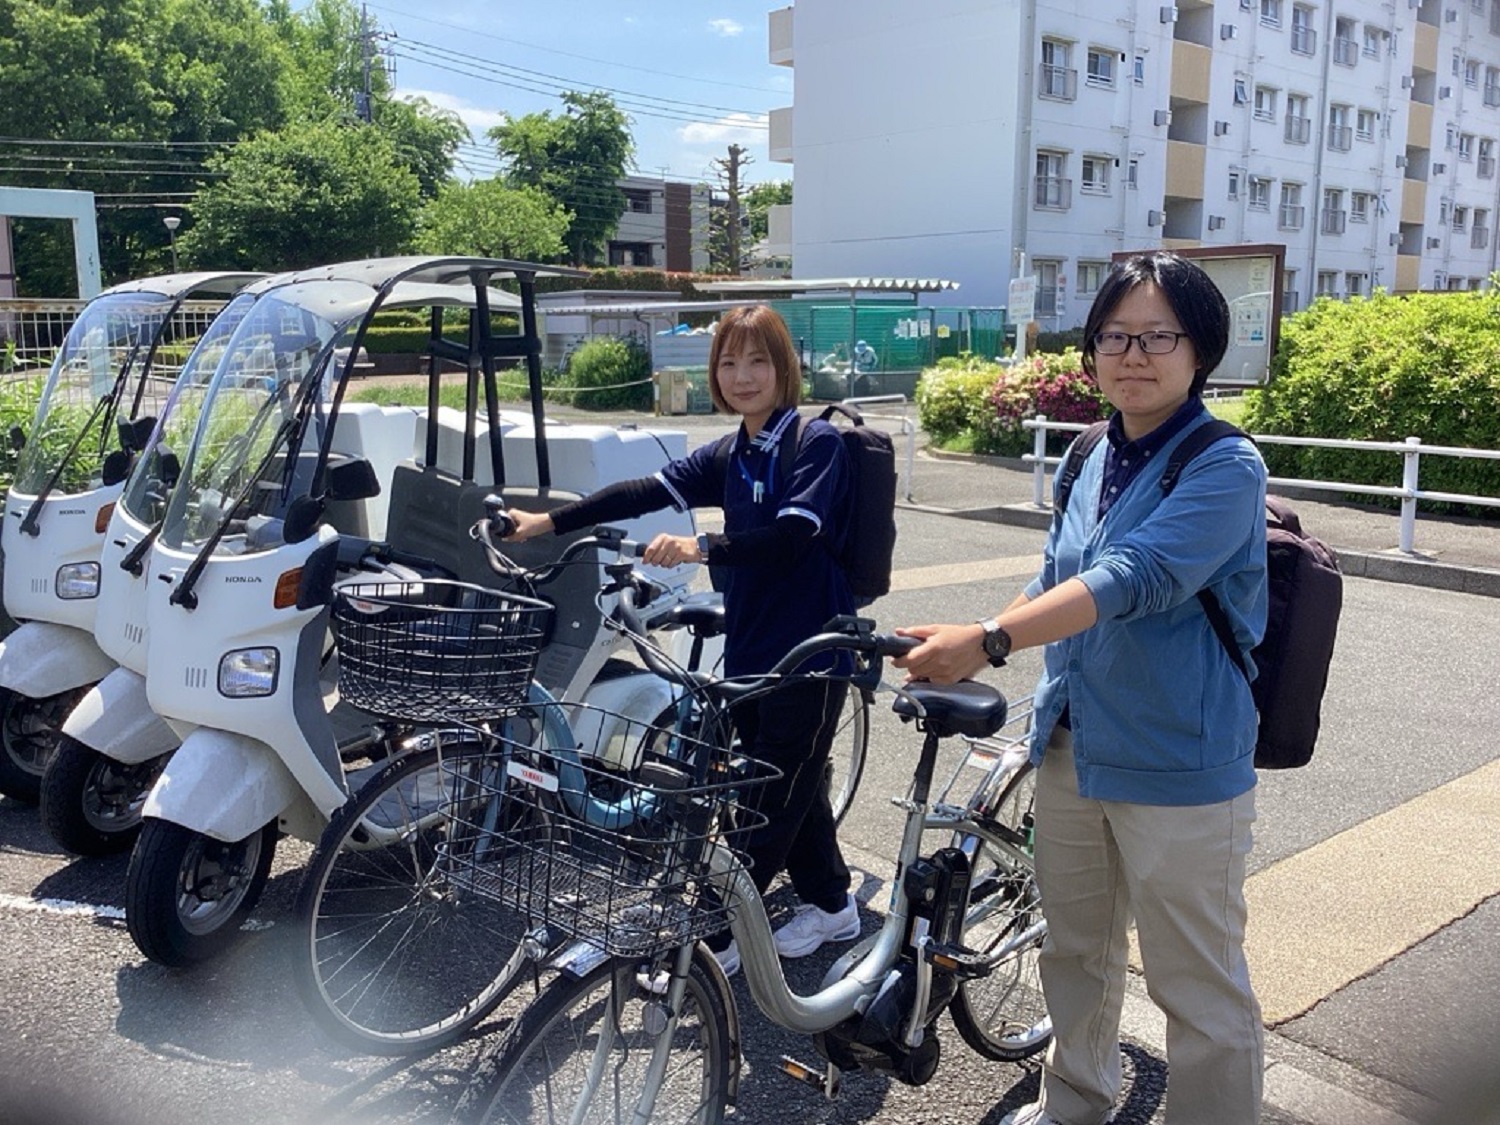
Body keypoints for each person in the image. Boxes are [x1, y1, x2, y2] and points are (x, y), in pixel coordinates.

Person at [895, 252, 1269, 1125]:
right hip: (1071, 746)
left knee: (1198, 987)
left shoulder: (1225, 465)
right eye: (1114, 335)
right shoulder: (1093, 450)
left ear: (1200, 350)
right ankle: (1075, 1102)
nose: (1132, 354)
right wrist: (979, 639)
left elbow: (1134, 576)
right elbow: (1060, 572)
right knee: (1075, 951)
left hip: (1180, 760)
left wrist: (986, 642)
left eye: (1157, 337)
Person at [498, 304, 861, 979]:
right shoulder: (734, 450)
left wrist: (701, 543)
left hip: (812, 654)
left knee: (761, 804)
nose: (743, 375)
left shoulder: (816, 445)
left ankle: (714, 935)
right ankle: (833, 904)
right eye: (729, 361)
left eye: (758, 361)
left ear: (784, 369)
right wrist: (547, 520)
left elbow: (794, 535)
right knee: (791, 785)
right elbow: (641, 489)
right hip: (753, 650)